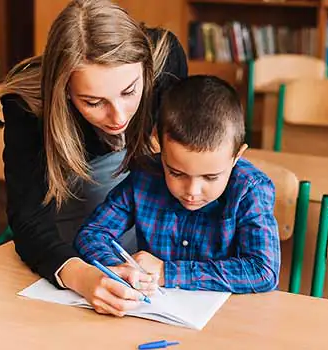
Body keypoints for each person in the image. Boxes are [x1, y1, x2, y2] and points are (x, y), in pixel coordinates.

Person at [0, 0, 188, 316]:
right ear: (63, 89)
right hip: (68, 233)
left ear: (147, 71)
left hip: (143, 223)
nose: (119, 117)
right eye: (94, 102)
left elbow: (180, 159)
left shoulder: (166, 60)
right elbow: (29, 219)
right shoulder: (28, 106)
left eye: (129, 91)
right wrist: (82, 277)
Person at [74, 75, 281, 313]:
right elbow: (92, 234)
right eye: (176, 173)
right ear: (159, 146)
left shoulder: (250, 190)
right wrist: (121, 268)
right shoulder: (145, 176)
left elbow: (263, 271)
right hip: (155, 313)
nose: (192, 192)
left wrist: (166, 272)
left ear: (236, 156)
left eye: (211, 177)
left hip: (226, 320)